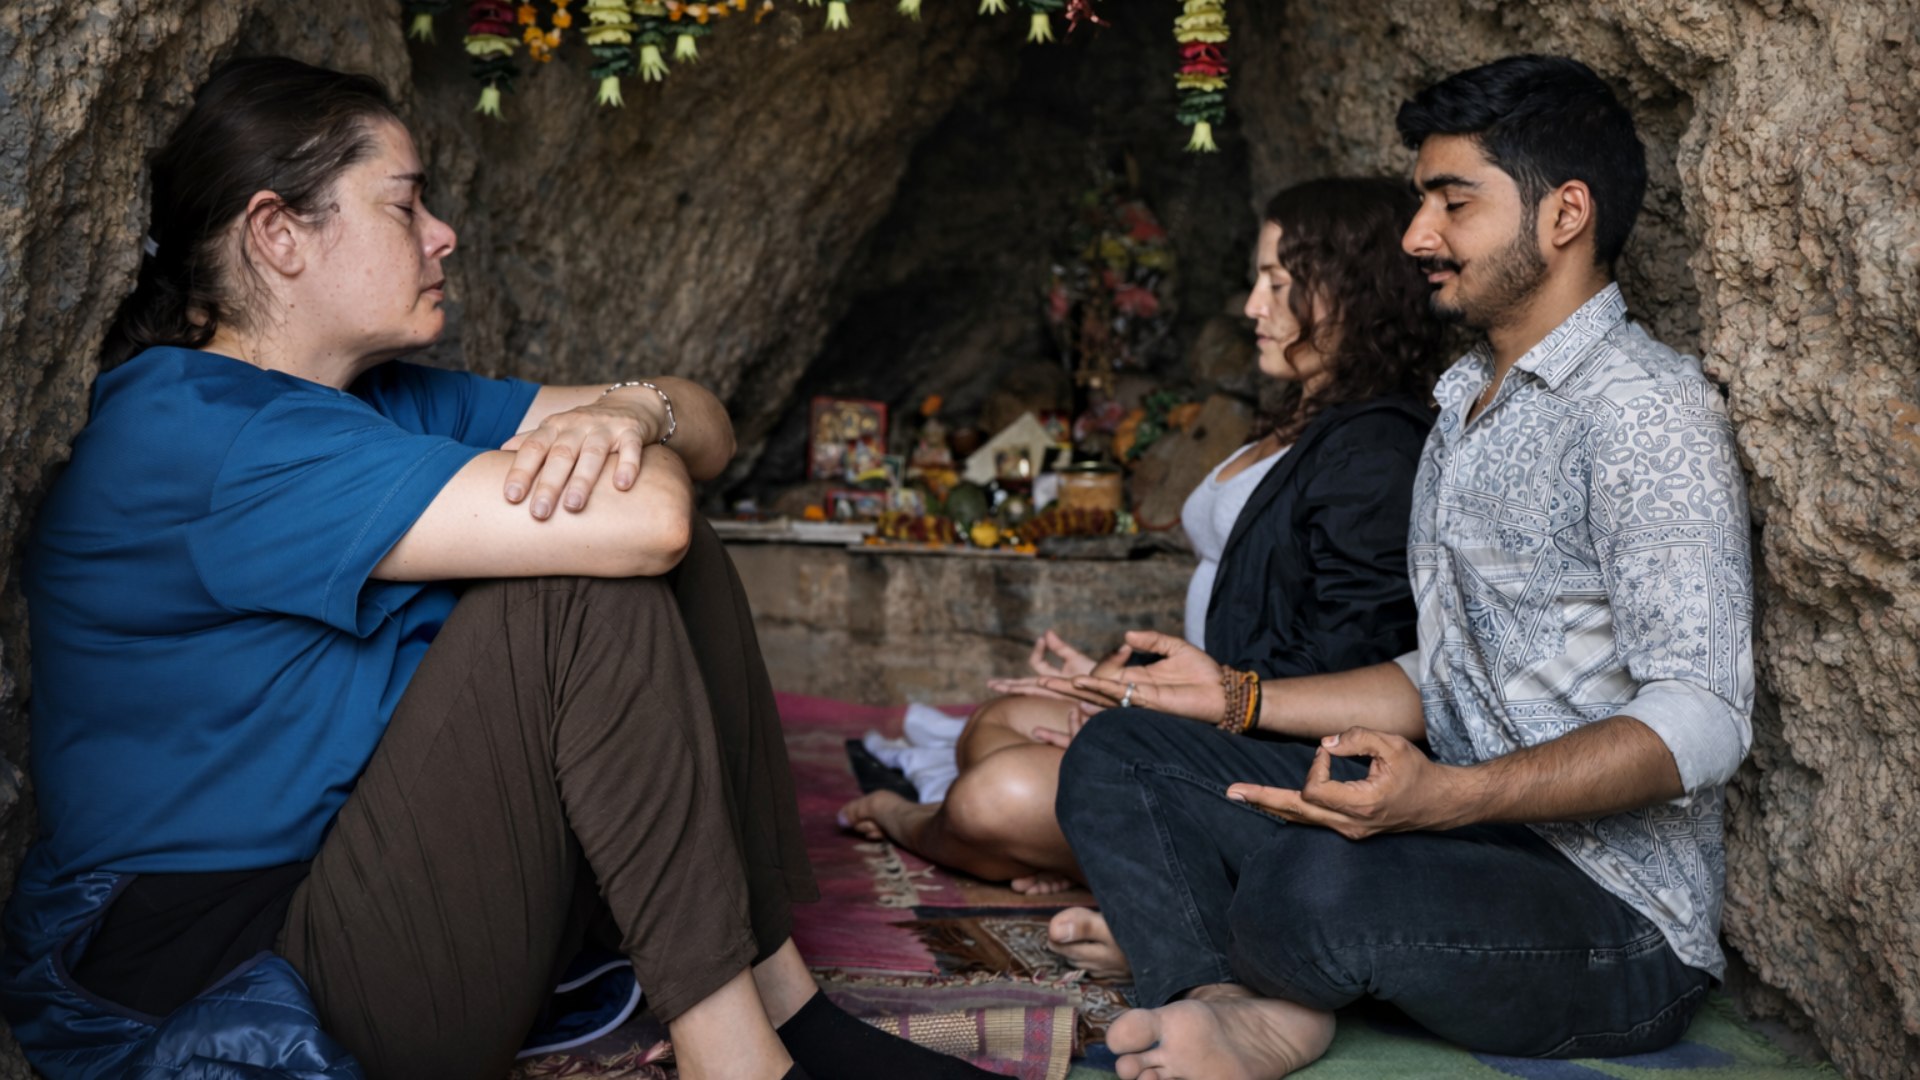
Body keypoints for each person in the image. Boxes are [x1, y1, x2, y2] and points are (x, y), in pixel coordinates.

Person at [0, 58, 1001, 1080]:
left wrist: (629, 411)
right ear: (278, 234)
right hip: (223, 973)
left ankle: (780, 1007)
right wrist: (630, 444)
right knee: (571, 586)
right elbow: (646, 515)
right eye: (405, 205)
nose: (443, 233)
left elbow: (703, 422)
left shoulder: (383, 400)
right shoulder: (196, 433)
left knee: (649, 540)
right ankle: (734, 1059)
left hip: (357, 887)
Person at [1042, 55, 1754, 1079]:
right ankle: (1219, 992)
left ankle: (1215, 938)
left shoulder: (1643, 410)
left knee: (1313, 882)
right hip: (1448, 841)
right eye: (1423, 201)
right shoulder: (1466, 400)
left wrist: (1443, 802)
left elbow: (1704, 719)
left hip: (1612, 919)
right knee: (1122, 752)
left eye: (1453, 203)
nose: (1420, 235)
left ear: (1564, 215)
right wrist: (1235, 698)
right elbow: (1440, 674)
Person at [838, 178, 1444, 907]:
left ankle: (916, 820)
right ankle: (1098, 861)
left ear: (1355, 293)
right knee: (990, 727)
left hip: (1263, 750)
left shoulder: (1376, 450)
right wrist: (1117, 684)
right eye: (1259, 281)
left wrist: (1156, 711)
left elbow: (1353, 665)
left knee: (989, 798)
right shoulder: (1306, 414)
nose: (1253, 306)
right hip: (1206, 712)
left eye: (1279, 284)